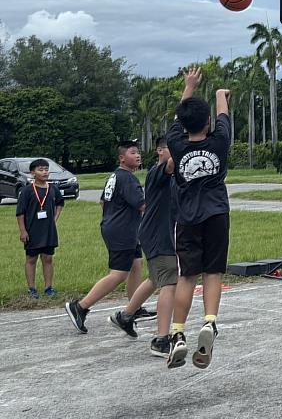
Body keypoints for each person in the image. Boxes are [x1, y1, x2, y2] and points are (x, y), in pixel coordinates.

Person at [165, 67, 231, 370]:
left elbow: (181, 118)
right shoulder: (219, 143)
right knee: (213, 273)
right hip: (216, 212)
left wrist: (188, 86)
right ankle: (209, 323)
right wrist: (220, 95)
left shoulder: (176, 144)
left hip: (187, 217)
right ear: (208, 122)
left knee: (187, 276)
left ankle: (178, 332)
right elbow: (223, 117)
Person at [66, 141, 149, 333]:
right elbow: (143, 205)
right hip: (122, 231)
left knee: (137, 265)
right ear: (122, 157)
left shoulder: (115, 175)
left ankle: (133, 308)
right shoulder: (128, 178)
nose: (138, 156)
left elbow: (103, 202)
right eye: (133, 152)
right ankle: (80, 307)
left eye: (138, 153)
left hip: (120, 227)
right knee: (119, 274)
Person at [108, 136, 178, 358]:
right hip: (157, 233)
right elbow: (171, 163)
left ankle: (126, 316)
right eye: (172, 147)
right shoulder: (159, 171)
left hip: (159, 231)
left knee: (156, 277)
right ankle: (161, 339)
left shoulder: (174, 174)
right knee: (170, 279)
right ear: (160, 151)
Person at [17, 159, 64, 298]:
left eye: (46, 169)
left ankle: (48, 287)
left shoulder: (53, 188)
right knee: (31, 259)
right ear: (33, 173)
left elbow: (60, 203)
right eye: (40, 170)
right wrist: (23, 231)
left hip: (48, 231)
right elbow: (20, 212)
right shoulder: (27, 191)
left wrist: (55, 219)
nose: (44, 172)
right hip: (32, 230)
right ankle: (32, 289)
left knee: (48, 258)